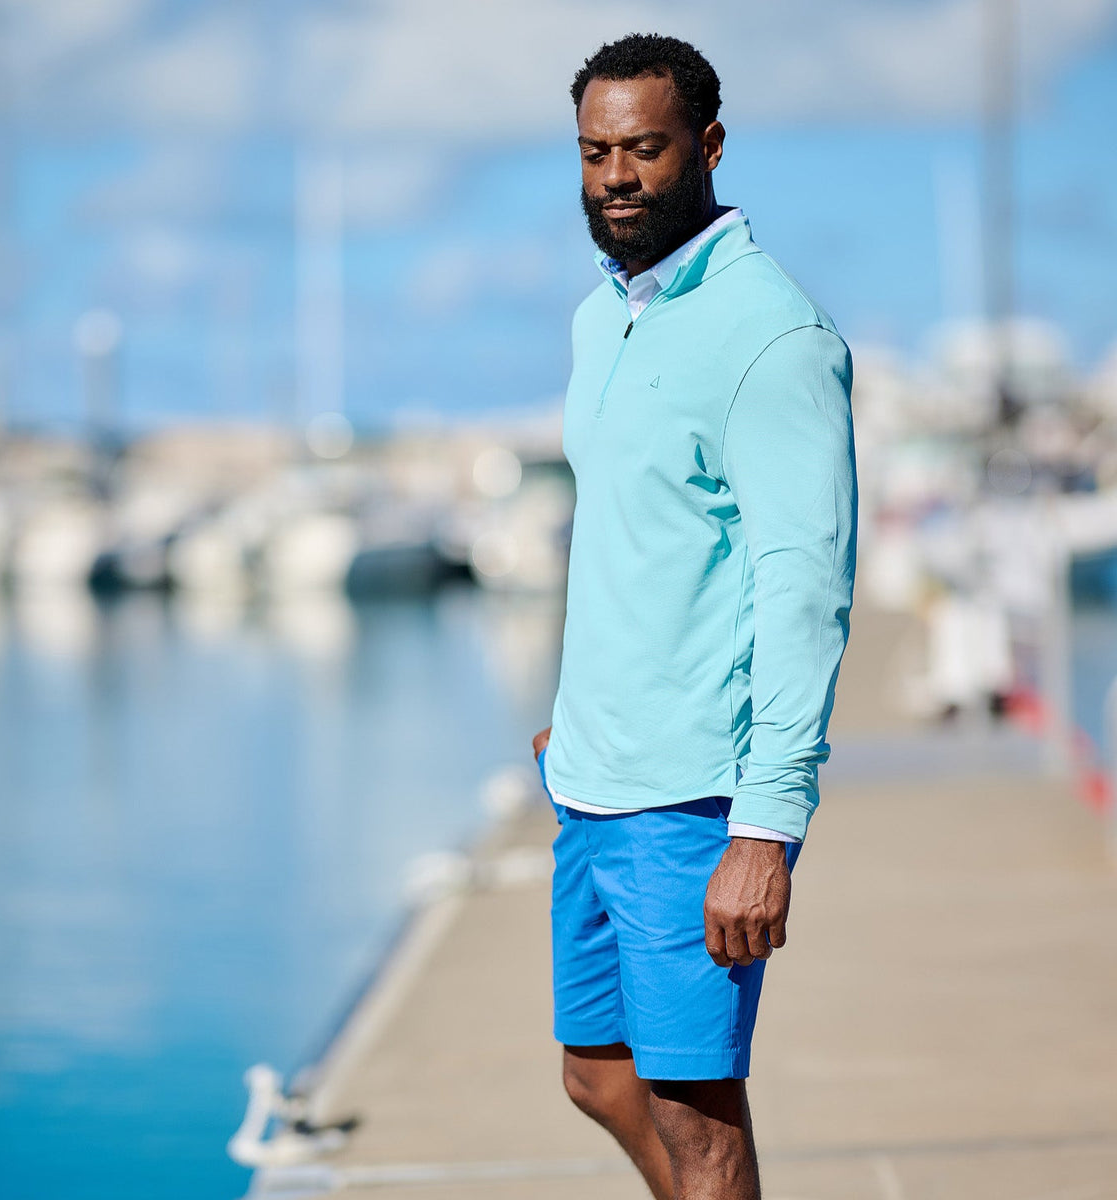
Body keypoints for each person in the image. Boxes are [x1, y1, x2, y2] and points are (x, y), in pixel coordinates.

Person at [530, 33, 858, 1200]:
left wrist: (764, 832)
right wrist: (574, 716)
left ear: (707, 147)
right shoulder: (603, 318)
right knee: (597, 1075)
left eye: (645, 148)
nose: (617, 174)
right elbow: (639, 543)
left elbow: (804, 590)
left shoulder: (773, 338)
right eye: (595, 151)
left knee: (699, 1120)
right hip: (594, 775)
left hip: (692, 801)